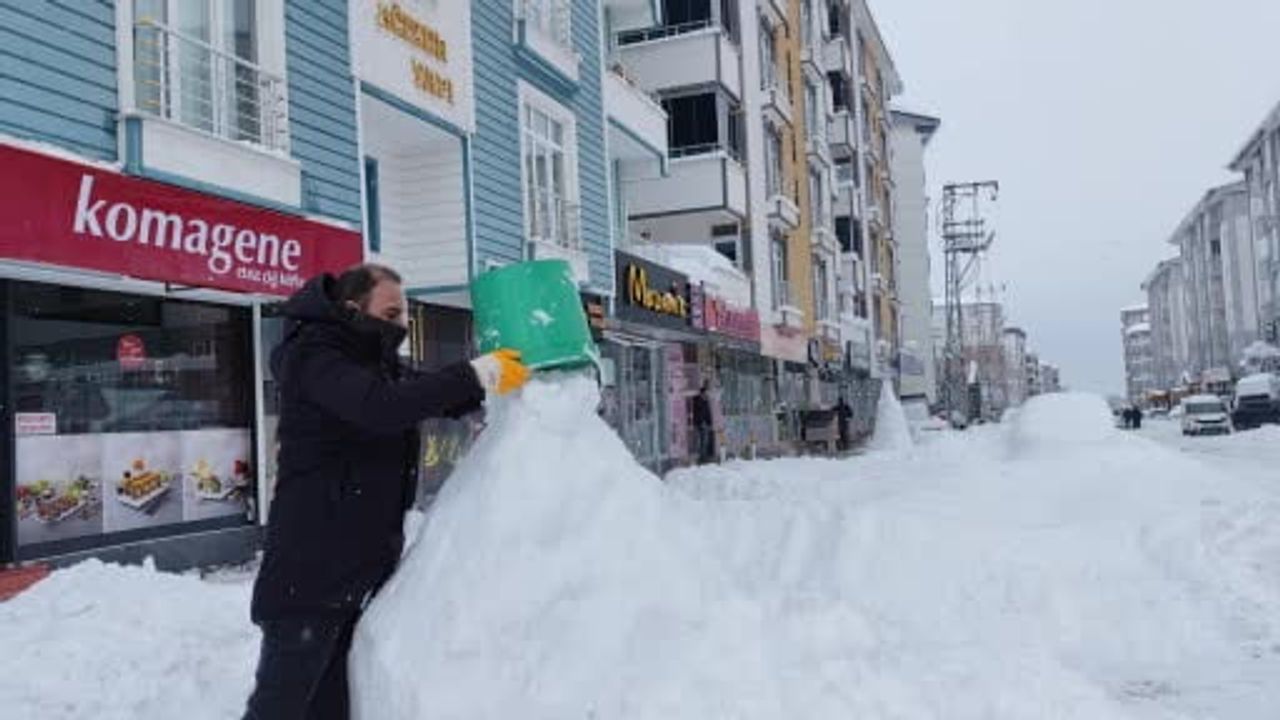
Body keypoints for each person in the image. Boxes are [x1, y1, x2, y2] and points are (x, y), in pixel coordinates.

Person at [243, 264, 530, 720]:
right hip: (310, 577)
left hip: (352, 575)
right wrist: (475, 374)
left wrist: (505, 385)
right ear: (353, 309)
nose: (400, 325)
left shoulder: (372, 364)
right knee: (281, 710)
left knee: (331, 711)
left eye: (404, 315)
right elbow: (381, 407)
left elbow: (423, 391)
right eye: (391, 313)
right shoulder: (316, 358)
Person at [692, 383, 715, 464]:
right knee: (701, 441)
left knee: (705, 440)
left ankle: (704, 456)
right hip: (699, 424)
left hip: (705, 424)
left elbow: (708, 413)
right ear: (702, 393)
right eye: (705, 393)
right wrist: (701, 422)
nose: (707, 394)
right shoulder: (698, 400)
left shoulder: (705, 401)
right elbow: (698, 413)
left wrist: (710, 423)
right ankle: (701, 457)